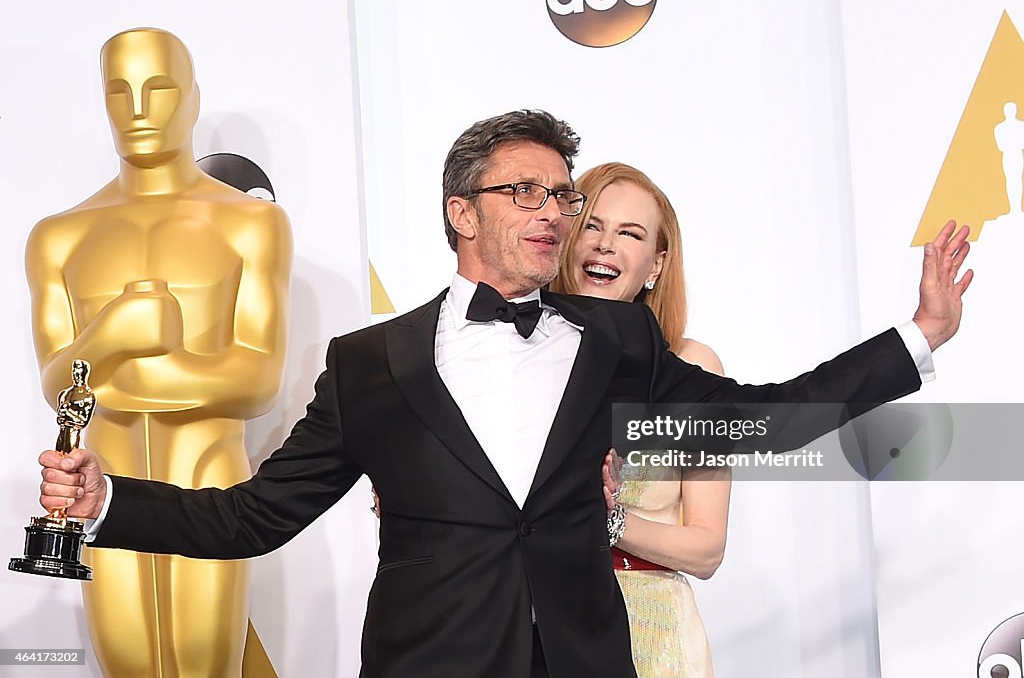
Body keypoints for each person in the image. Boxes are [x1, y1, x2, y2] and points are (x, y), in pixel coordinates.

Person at [37, 110, 971, 677]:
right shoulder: (369, 362)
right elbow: (253, 515)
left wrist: (917, 337)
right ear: (462, 210)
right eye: (525, 191)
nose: (551, 213)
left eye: (559, 195)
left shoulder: (614, 337)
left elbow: (761, 420)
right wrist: (109, 498)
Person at [25, 28, 291, 677]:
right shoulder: (59, 237)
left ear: (194, 98)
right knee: (127, 660)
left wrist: (124, 371)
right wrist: (116, 328)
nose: (138, 109)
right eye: (119, 92)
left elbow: (259, 375)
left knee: (205, 657)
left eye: (160, 88)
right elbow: (59, 386)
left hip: (210, 472)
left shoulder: (248, 223)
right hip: (103, 480)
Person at [549, 162, 726, 676]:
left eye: (630, 233)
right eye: (592, 226)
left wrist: (608, 522)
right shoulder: (515, 359)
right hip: (537, 622)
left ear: (655, 264)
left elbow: (707, 547)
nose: (606, 245)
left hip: (653, 634)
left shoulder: (692, 367)